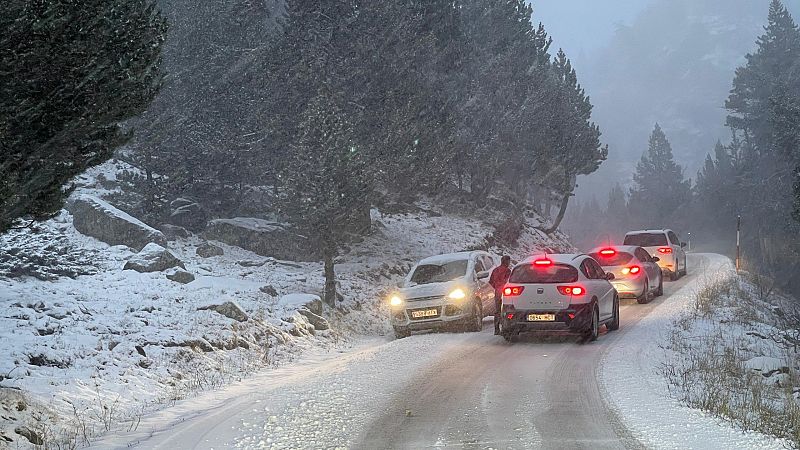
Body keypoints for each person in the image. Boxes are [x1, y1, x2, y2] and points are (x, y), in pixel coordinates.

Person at [489, 255, 512, 335]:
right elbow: (510, 282)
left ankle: (496, 328)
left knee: (497, 311)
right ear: (507, 262)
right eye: (508, 261)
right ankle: (504, 328)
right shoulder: (508, 271)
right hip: (506, 293)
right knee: (505, 310)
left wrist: (496, 287)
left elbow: (491, 281)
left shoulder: (495, 270)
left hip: (497, 292)